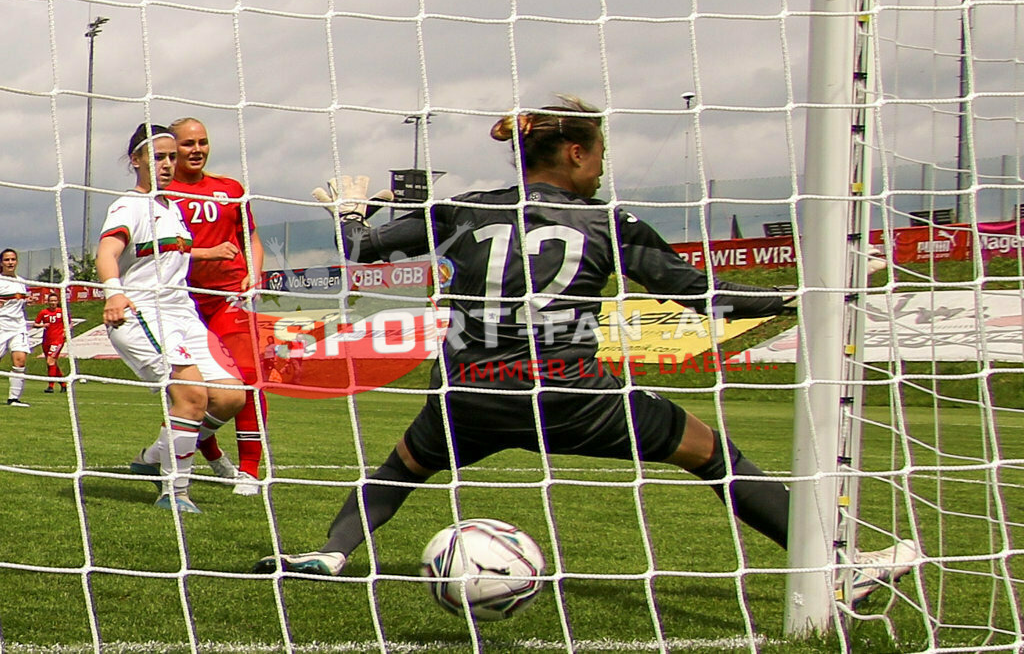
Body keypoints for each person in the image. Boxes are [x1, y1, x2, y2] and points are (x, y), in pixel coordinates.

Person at [253, 96, 918, 606]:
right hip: (572, 393)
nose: (603, 165)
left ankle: (329, 555)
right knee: (712, 451)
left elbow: (361, 251)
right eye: (599, 150)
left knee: (399, 468)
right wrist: (798, 297)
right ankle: (836, 567)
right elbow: (697, 293)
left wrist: (349, 212)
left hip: (469, 393)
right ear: (572, 152)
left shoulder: (464, 210)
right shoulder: (606, 220)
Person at [96, 123, 246, 513]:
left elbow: (168, 253)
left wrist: (209, 254)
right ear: (136, 160)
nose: (167, 164)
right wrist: (114, 293)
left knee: (231, 398)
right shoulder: (128, 205)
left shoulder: (170, 208)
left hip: (183, 313)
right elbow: (108, 252)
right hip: (143, 311)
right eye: (158, 156)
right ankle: (174, 492)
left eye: (171, 157)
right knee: (192, 395)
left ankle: (153, 456)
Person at [166, 117, 267, 496]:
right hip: (182, 302)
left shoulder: (229, 188)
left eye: (202, 142)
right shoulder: (161, 194)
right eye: (187, 143)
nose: (196, 150)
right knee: (194, 390)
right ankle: (208, 451)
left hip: (228, 298)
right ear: (171, 149)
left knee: (247, 380)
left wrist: (253, 273)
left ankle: (250, 470)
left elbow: (251, 238)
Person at [0, 248, 31, 407]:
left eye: (13, 259)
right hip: (1, 326)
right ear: (1, 263)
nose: (10, 262)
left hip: (18, 326)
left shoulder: (21, 282)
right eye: (7, 260)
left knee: (20, 360)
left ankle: (14, 399)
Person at [33, 292, 68, 393]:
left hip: (58, 340)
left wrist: (65, 332)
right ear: (48, 302)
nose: (53, 303)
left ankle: (51, 386)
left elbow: (69, 323)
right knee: (52, 363)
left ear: (57, 302)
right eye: (51, 301)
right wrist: (43, 325)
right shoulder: (43, 312)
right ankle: (63, 384)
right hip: (46, 340)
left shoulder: (62, 312)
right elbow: (35, 324)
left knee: (50, 361)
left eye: (54, 301)